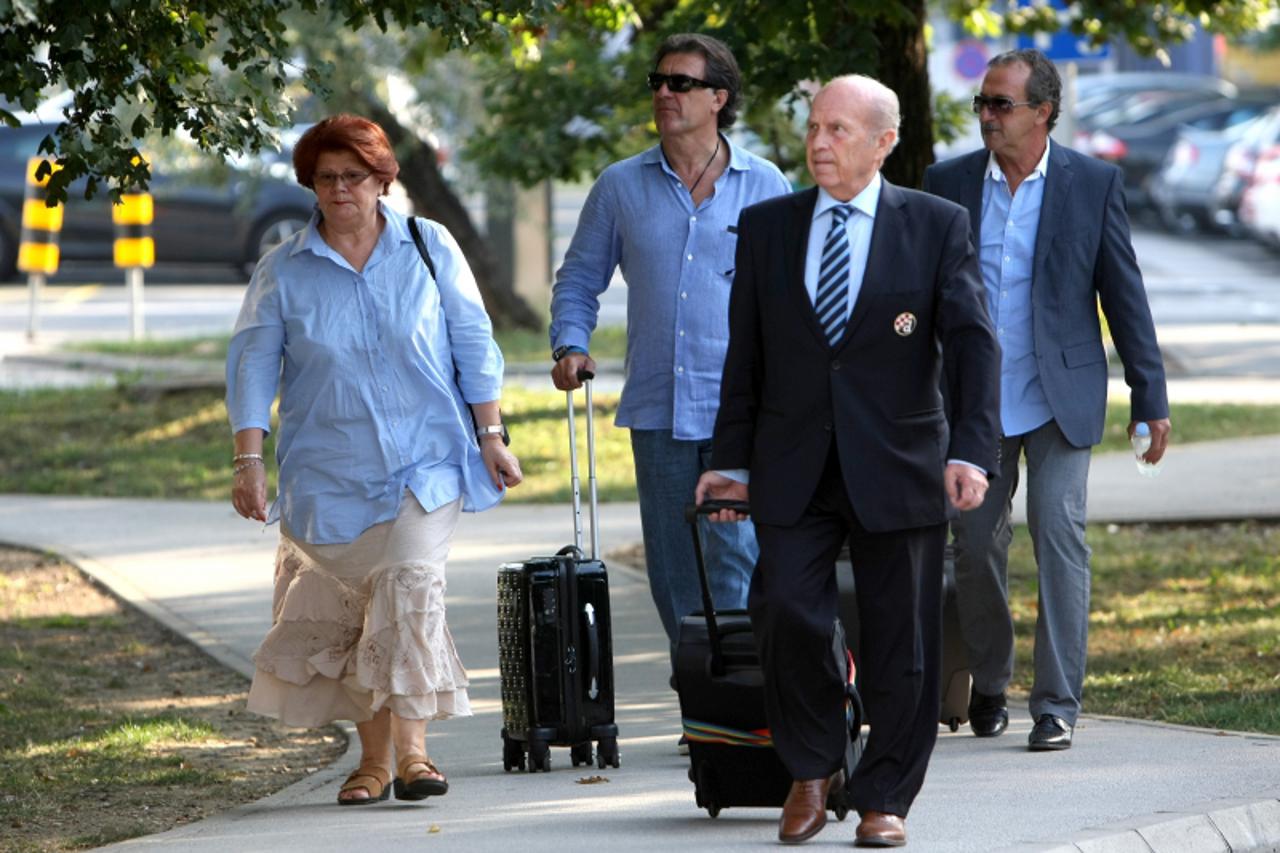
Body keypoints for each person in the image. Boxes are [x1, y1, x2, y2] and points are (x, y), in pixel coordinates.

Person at [696, 76, 1001, 847]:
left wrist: (971, 449)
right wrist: (731, 460)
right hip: (792, 460)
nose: (819, 142)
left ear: (883, 142)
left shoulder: (935, 225)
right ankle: (812, 766)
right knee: (787, 613)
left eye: (838, 129)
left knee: (903, 638)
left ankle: (885, 794)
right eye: (814, 127)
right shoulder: (768, 226)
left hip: (899, 462)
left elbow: (971, 345)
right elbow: (748, 358)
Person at [225, 114, 523, 806]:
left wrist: (492, 433)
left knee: (411, 584)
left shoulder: (428, 245)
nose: (339, 190)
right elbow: (252, 365)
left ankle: (415, 755)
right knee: (354, 613)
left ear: (382, 179)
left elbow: (473, 340)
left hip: (425, 463)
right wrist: (248, 459)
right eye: (325, 178)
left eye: (353, 176)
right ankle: (373, 761)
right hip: (328, 474)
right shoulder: (285, 270)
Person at [923, 48, 1170, 751]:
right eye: (982, 103)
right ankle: (993, 678)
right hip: (973, 401)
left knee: (1059, 534)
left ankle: (1057, 701)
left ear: (1044, 112)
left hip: (1061, 392)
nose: (987, 117)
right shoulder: (947, 183)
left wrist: (1148, 393)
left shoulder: (1091, 183)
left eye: (1001, 104)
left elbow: (1124, 291)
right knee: (974, 545)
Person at [549, 35, 791, 687]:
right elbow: (578, 278)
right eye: (657, 81)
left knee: (737, 554)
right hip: (658, 409)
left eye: (679, 83)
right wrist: (570, 342)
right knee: (673, 568)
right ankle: (703, 698)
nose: (663, 93)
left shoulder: (766, 184)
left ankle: (747, 694)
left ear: (719, 98)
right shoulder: (621, 186)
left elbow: (793, 296)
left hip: (743, 411)